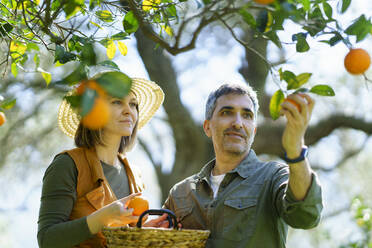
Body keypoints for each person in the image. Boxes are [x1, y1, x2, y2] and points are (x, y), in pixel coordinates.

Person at [163, 83, 323, 248]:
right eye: (227, 112)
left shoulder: (274, 176)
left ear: (253, 131)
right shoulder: (180, 193)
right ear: (208, 127)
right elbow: (154, 238)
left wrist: (295, 150)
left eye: (247, 115)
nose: (238, 123)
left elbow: (306, 216)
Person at [37, 72, 167, 248]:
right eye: (117, 102)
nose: (129, 110)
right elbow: (47, 240)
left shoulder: (134, 173)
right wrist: (101, 219)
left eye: (133, 104)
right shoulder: (67, 165)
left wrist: (142, 232)